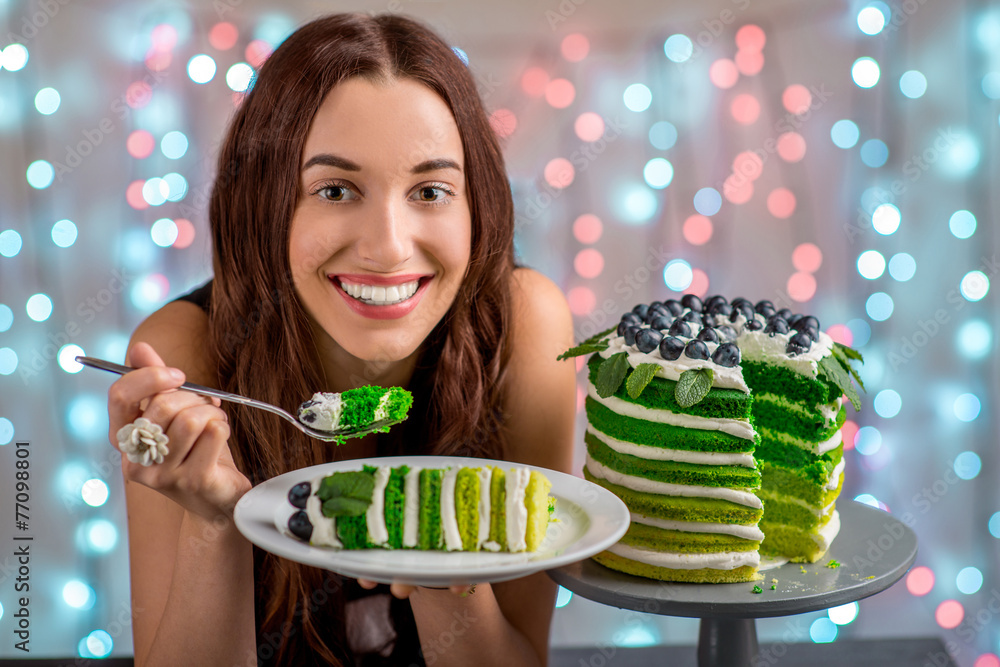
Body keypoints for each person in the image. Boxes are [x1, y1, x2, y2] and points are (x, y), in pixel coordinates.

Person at [106, 11, 576, 667]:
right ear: (265, 202)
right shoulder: (188, 356)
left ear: (479, 205)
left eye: (431, 190)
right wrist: (212, 522)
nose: (388, 247)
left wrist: (448, 581)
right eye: (334, 188)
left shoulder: (525, 328)